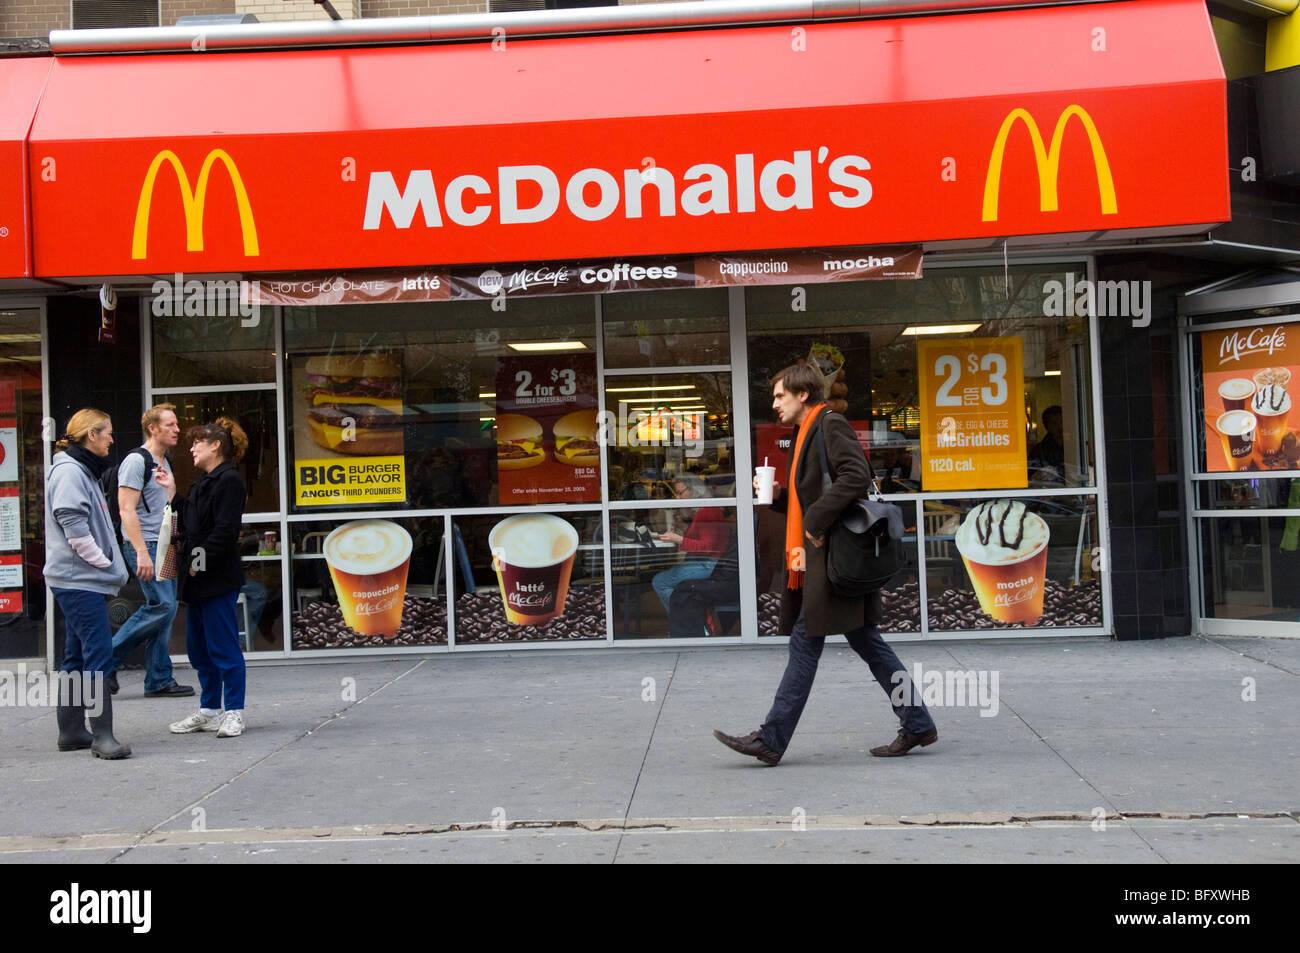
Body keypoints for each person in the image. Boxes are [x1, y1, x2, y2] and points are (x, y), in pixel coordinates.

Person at [713, 363, 937, 765]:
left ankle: (771, 739)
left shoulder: (829, 424)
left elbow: (855, 475)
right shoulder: (806, 432)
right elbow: (814, 494)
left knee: (805, 642)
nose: (775, 403)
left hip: (832, 560)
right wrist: (780, 496)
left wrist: (815, 520)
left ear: (803, 395)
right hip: (824, 560)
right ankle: (917, 721)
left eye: (780, 396)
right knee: (867, 642)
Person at [45, 408, 131, 759]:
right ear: (90, 435)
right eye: (107, 432)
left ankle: (72, 732)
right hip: (79, 579)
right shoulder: (70, 472)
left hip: (78, 578)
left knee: (77, 654)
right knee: (98, 653)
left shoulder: (80, 469)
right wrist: (105, 562)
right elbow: (71, 521)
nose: (112, 438)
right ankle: (102, 737)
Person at [164, 417, 249, 739]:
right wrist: (172, 493)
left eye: (197, 442)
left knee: (224, 648)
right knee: (200, 651)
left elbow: (224, 532)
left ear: (215, 445)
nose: (191, 448)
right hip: (198, 579)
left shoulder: (229, 481)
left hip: (215, 578)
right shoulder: (205, 481)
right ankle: (210, 709)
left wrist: (195, 563)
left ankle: (234, 712)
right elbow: (191, 522)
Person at [108, 403, 194, 698]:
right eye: (170, 424)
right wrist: (141, 552)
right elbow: (126, 510)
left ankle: (158, 679)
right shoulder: (136, 461)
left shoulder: (163, 461)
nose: (177, 430)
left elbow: (163, 507)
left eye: (176, 424)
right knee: (163, 606)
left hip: (165, 545)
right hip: (147, 545)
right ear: (152, 428)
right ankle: (104, 662)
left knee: (166, 612)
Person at [652, 474, 729, 612]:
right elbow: (704, 540)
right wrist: (684, 528)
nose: (678, 497)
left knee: (660, 581)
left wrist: (679, 539)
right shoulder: (705, 509)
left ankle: (684, 620)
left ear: (694, 490)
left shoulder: (707, 511)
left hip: (709, 564)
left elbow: (707, 547)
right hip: (711, 563)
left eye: (680, 493)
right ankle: (686, 619)